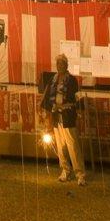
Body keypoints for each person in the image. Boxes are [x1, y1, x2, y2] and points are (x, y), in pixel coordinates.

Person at [40, 53, 86, 186]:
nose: (59, 66)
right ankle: (65, 170)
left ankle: (80, 174)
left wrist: (78, 110)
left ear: (66, 65)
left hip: (68, 116)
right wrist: (48, 109)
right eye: (58, 63)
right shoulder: (53, 79)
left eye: (62, 63)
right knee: (60, 147)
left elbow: (77, 97)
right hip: (56, 117)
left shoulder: (72, 80)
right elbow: (47, 97)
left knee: (73, 146)